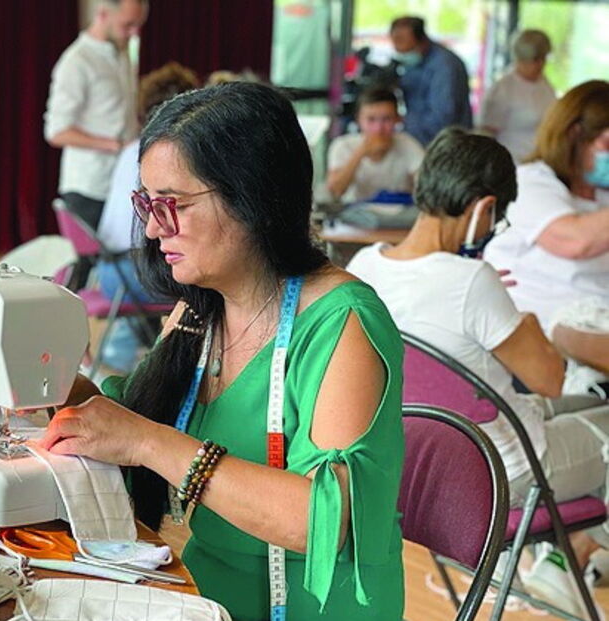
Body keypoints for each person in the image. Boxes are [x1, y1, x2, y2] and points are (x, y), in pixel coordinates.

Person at [39, 82, 406, 620]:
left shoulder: (343, 321)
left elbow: (315, 519)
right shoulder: (202, 309)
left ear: (254, 196)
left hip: (315, 607)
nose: (155, 227)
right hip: (205, 593)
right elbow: (131, 420)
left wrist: (148, 442)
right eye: (147, 203)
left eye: (175, 205)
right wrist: (42, 380)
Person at [347, 128, 609, 615]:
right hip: (500, 470)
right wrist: (521, 314)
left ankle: (568, 557)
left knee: (588, 407)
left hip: (412, 462)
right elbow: (550, 377)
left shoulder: (365, 265)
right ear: (484, 208)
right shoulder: (474, 281)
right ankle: (568, 556)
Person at [484, 80, 609, 388]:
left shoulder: (602, 198)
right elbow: (575, 241)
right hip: (545, 348)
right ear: (575, 135)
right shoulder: (530, 183)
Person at [95, 61, 199, 373]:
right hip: (133, 274)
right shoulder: (171, 155)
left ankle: (124, 360)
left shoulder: (130, 151)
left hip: (109, 271)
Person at [44, 0, 148, 230]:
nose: (133, 33)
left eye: (137, 25)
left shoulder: (122, 55)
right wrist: (114, 144)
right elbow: (56, 132)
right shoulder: (76, 62)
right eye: (127, 24)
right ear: (103, 14)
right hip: (88, 187)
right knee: (88, 264)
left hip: (121, 183)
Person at [326, 87, 424, 201]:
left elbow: (427, 186)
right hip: (356, 215)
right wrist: (361, 153)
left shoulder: (408, 144)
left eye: (386, 119)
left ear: (398, 119)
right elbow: (335, 191)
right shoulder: (342, 146)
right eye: (371, 119)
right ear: (358, 120)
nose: (379, 128)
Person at [390, 16, 472, 146]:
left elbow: (443, 117)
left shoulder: (444, 66)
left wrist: (401, 122)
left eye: (403, 42)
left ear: (421, 40)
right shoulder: (413, 63)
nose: (401, 51)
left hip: (445, 145)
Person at [478, 29, 557, 163]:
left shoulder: (545, 85)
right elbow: (487, 135)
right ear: (520, 58)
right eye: (535, 60)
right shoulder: (503, 89)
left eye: (543, 58)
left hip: (539, 162)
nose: (540, 65)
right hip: (511, 162)